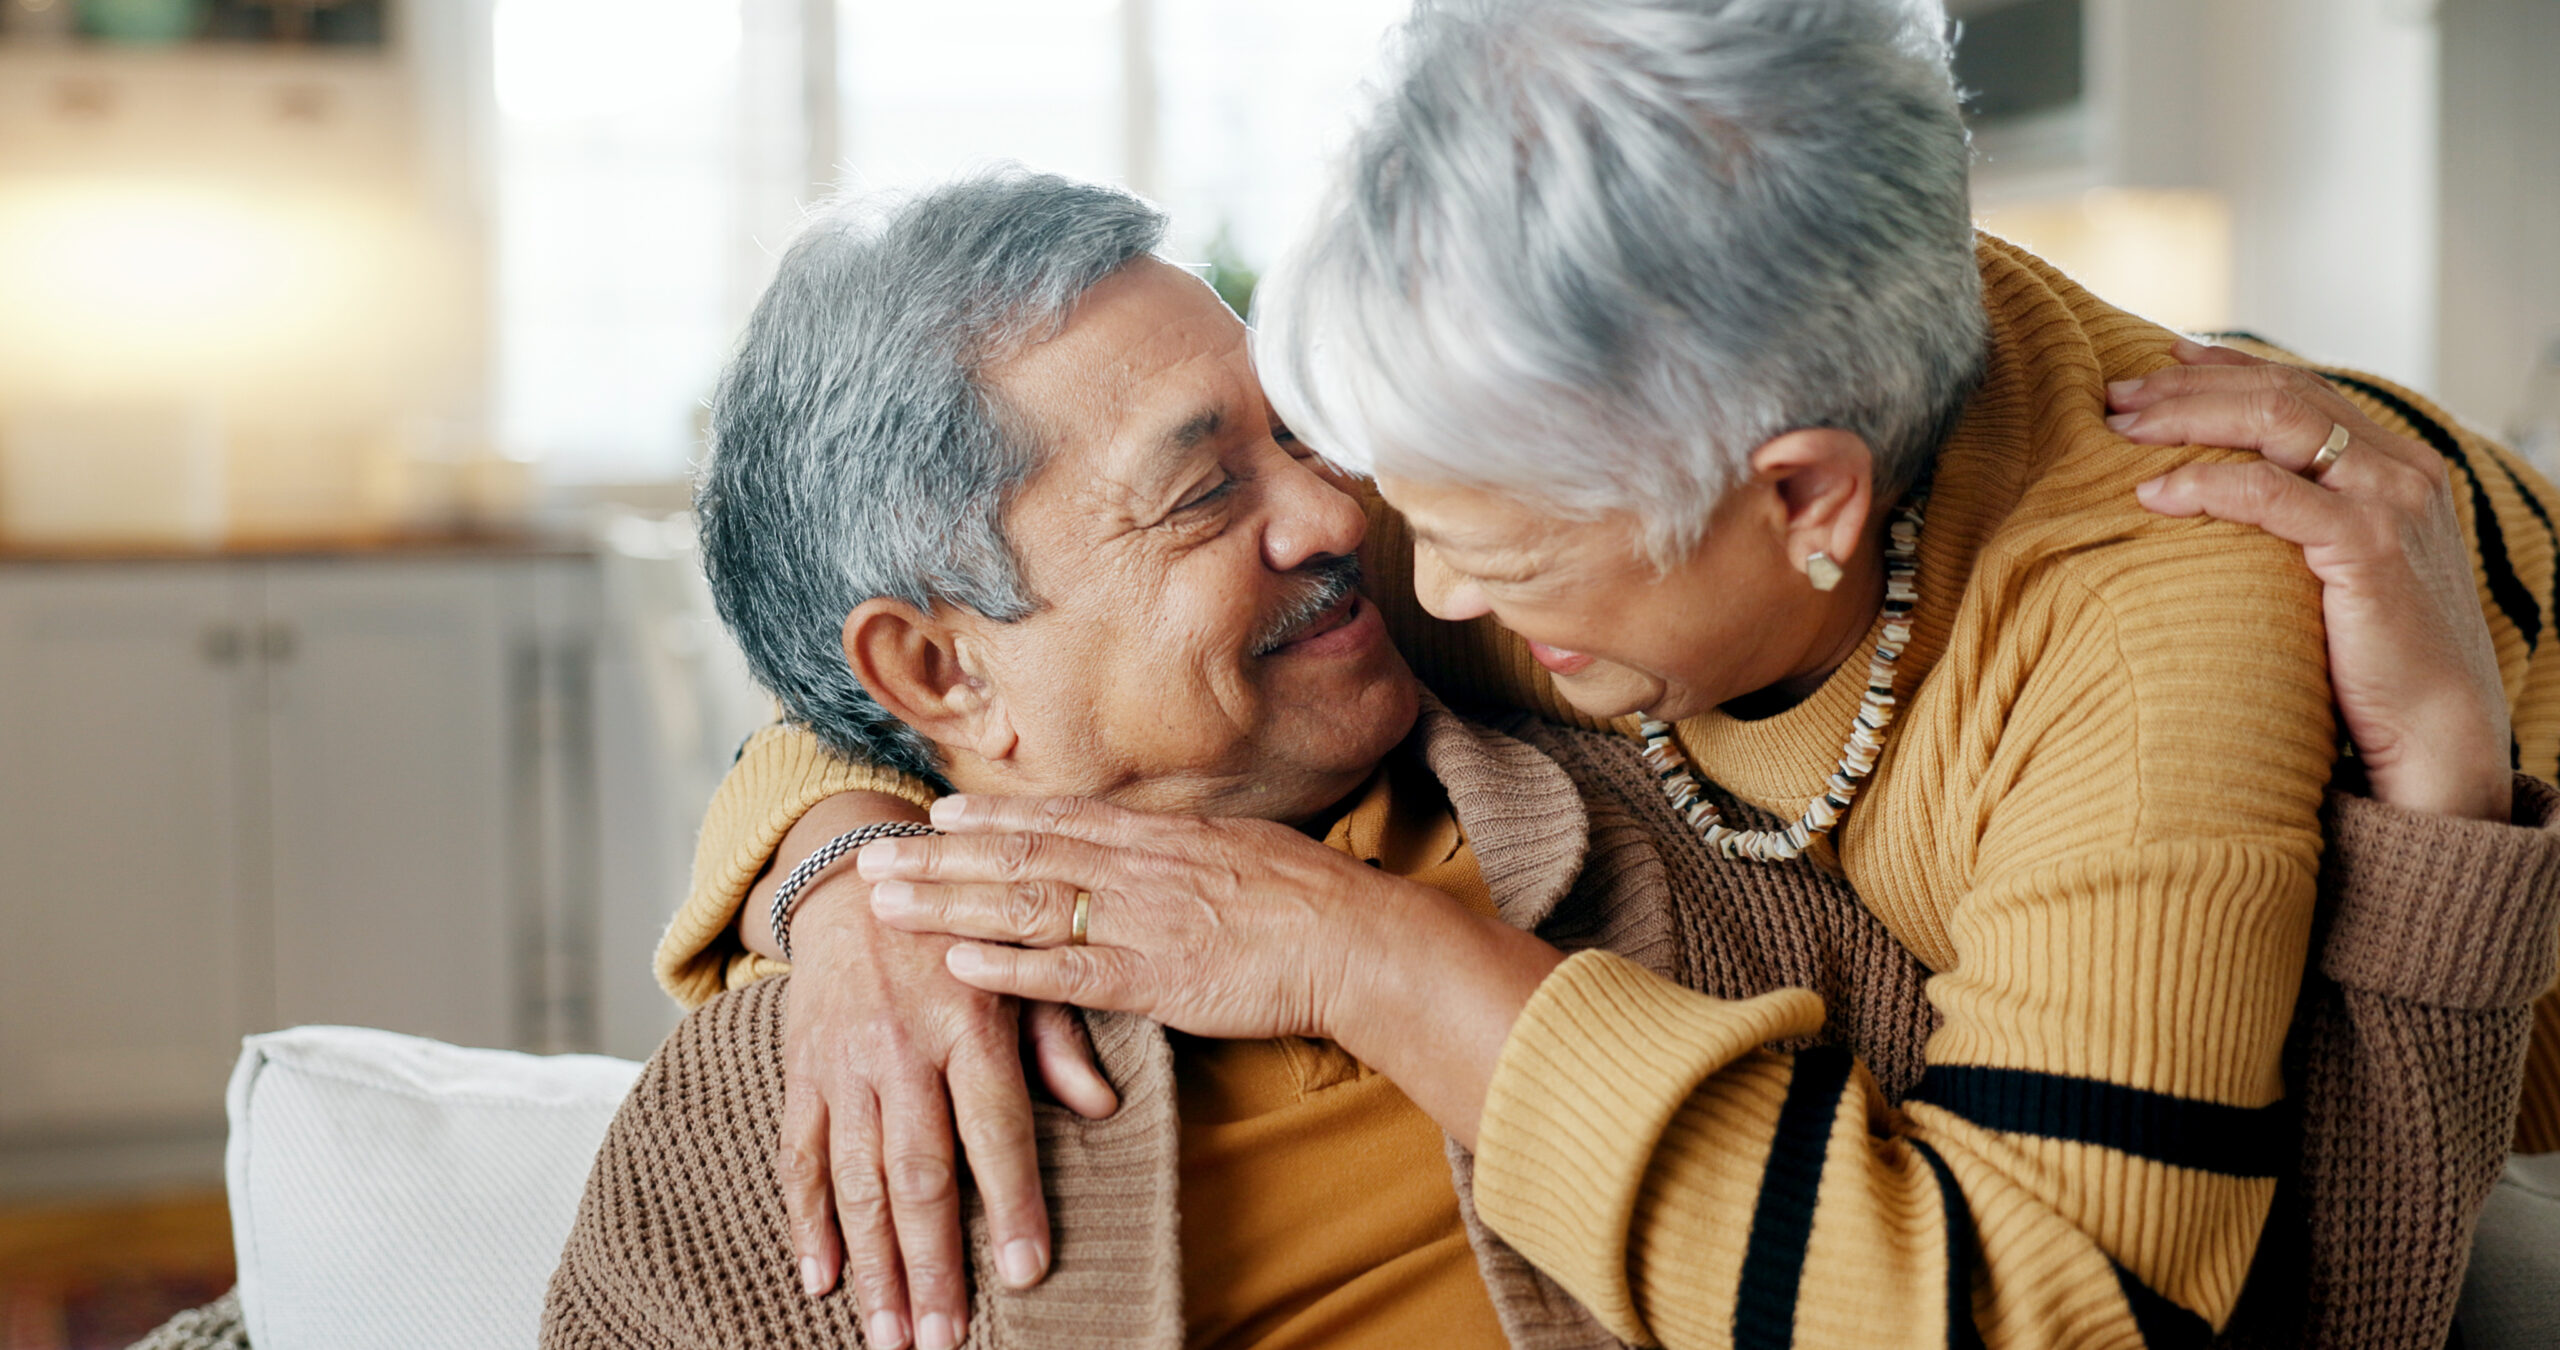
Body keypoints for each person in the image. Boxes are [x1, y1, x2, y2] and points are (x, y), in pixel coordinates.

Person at [573, 161, 2558, 1350]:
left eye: (1309, 429)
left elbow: (2285, 1309)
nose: (1345, 518)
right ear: (928, 668)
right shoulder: (786, 1115)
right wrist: (842, 860)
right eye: (1201, 499)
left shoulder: (1682, 829)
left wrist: (2440, 805)